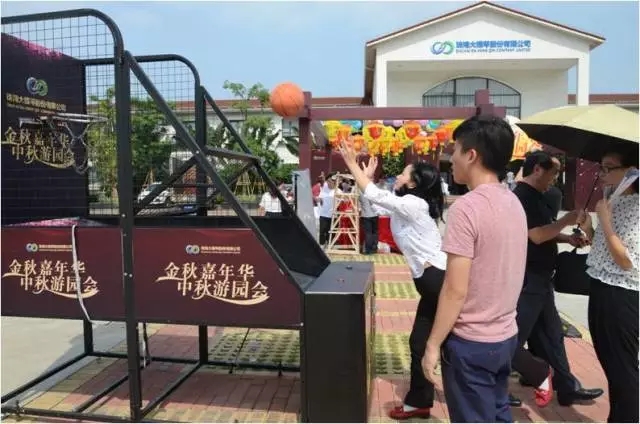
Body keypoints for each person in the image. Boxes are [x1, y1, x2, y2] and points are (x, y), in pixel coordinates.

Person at [423, 115, 528, 422]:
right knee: (498, 412)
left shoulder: (466, 209)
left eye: (455, 149)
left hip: (472, 342)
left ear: (471, 155)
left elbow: (455, 290)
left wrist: (433, 344)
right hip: (506, 335)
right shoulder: (514, 202)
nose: (451, 157)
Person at [337, 143, 447, 421]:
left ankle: (530, 372)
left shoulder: (414, 204)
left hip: (438, 281)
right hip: (429, 283)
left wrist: (351, 163)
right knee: (418, 343)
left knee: (463, 340)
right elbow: (375, 200)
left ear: (413, 183)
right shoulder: (406, 205)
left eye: (403, 173)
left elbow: (374, 195)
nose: (398, 175)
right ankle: (419, 402)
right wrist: (366, 178)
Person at [511, 150, 603, 407]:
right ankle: (494, 386)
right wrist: (566, 220)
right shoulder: (522, 197)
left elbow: (545, 232)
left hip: (541, 280)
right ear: (537, 170)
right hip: (528, 280)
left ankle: (566, 386)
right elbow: (536, 235)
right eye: (552, 174)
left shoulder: (538, 197)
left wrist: (567, 238)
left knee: (552, 336)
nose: (554, 180)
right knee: (512, 338)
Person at [580, 149, 638, 423]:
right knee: (612, 365)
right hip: (601, 287)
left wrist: (605, 220)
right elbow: (604, 248)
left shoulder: (636, 206)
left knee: (623, 369)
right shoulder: (611, 198)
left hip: (622, 295)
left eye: (608, 167)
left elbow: (626, 260)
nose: (602, 173)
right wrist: (589, 228)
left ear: (631, 171)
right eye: (601, 167)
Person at [317, 173, 337, 247]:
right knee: (322, 231)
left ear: (334, 182)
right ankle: (321, 245)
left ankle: (329, 246)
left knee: (330, 232)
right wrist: (318, 199)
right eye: (327, 181)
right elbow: (322, 182)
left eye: (330, 181)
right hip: (323, 214)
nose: (328, 183)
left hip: (333, 215)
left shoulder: (337, 191)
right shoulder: (325, 188)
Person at [359, 185, 379, 255]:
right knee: (374, 232)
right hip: (375, 214)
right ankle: (374, 248)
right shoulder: (374, 190)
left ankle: (368, 250)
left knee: (368, 233)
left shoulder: (360, 191)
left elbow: (358, 201)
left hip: (366, 215)